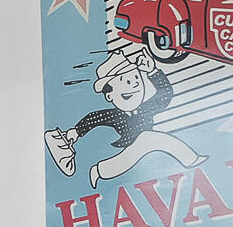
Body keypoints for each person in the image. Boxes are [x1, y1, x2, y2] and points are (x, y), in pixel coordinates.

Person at [46, 45, 203, 185]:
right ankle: (98, 171)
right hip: (132, 149)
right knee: (146, 141)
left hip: (142, 149)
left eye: (136, 78)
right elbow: (94, 118)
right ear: (109, 95)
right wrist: (76, 132)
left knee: (149, 139)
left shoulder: (144, 109)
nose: (134, 83)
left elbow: (164, 95)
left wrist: (153, 72)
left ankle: (192, 160)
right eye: (125, 81)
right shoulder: (116, 116)